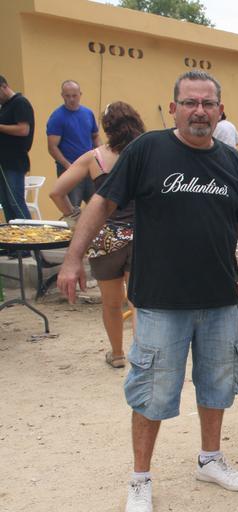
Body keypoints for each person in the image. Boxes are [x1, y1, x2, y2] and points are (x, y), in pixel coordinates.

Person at [57, 70, 238, 512]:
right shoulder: (147, 150)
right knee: (152, 391)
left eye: (208, 104)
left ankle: (210, 459)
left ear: (220, 111)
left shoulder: (233, 163)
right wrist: (72, 257)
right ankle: (140, 479)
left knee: (217, 385)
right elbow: (102, 203)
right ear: (174, 108)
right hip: (160, 301)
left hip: (219, 298)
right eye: (190, 103)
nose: (199, 111)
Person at [50, 102, 145, 368]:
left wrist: (75, 217)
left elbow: (56, 192)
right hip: (141, 236)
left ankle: (117, 354)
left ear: (106, 128)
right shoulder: (144, 153)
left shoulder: (94, 157)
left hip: (105, 238)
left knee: (111, 303)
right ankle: (141, 358)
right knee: (138, 302)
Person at [46, 80, 100, 208]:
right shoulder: (57, 117)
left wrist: (100, 157)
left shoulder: (88, 113)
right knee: (73, 209)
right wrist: (68, 166)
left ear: (80, 94)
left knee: (97, 206)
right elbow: (52, 147)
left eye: (74, 95)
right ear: (62, 96)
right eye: (67, 96)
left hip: (90, 168)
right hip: (70, 169)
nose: (71, 99)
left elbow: (95, 136)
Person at [0, 75, 34, 224]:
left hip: (14, 161)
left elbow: (23, 129)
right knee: (6, 203)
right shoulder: (5, 106)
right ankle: (13, 237)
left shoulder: (20, 103)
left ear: (3, 87)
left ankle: (29, 236)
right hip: (4, 162)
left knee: (16, 202)